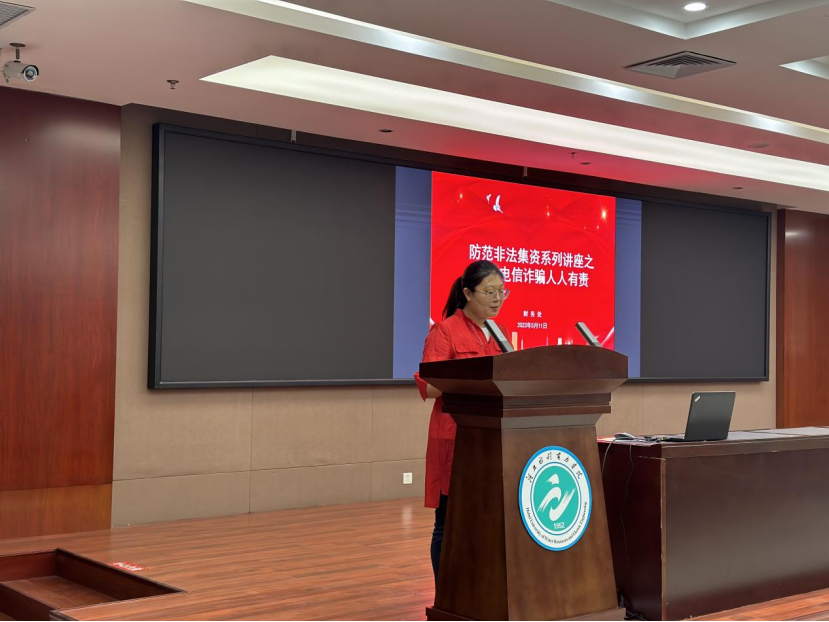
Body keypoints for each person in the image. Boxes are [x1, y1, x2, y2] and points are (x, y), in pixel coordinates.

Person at [414, 260, 511, 583]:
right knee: (447, 521)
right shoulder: (444, 331)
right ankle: (446, 595)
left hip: (491, 437)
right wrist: (474, 379)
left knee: (484, 519)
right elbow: (429, 386)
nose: (497, 299)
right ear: (468, 293)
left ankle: (476, 592)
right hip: (455, 437)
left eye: (502, 291)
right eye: (489, 291)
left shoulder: (500, 332)